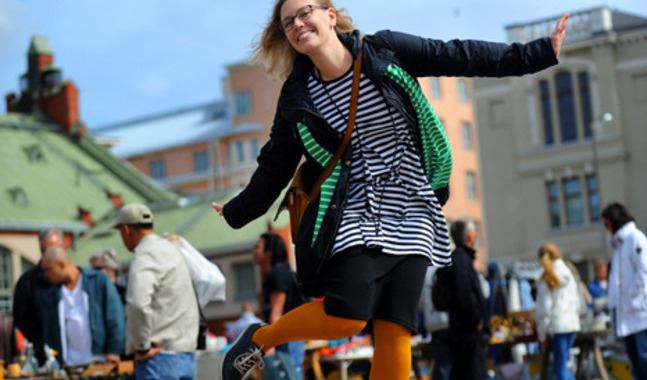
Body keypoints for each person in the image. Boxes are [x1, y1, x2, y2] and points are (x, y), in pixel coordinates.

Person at [211, 1, 570, 379]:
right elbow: (275, 164)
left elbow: (457, 55)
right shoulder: (298, 95)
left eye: (305, 13)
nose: (298, 24)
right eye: (288, 23)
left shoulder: (384, 51)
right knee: (347, 316)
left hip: (414, 206)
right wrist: (238, 210)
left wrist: (536, 53)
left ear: (329, 15)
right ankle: (262, 337)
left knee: (396, 331)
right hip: (354, 209)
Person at [114, 203, 200, 380]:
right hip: (185, 353)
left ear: (127, 229)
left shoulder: (145, 254)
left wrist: (142, 347)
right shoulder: (171, 248)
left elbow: (137, 303)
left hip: (159, 357)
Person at [39, 246, 124, 366]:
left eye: (48, 269)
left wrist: (114, 350)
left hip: (100, 360)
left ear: (62, 265)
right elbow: (49, 333)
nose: (46, 274)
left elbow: (115, 317)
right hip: (70, 365)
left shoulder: (98, 281)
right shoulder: (52, 296)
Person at [602, 202, 647, 380]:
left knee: (644, 358)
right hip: (628, 316)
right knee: (635, 360)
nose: (606, 229)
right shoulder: (620, 247)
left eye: (606, 224)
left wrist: (631, 297)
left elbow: (644, 270)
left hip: (640, 314)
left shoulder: (635, 238)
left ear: (614, 221)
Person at [443, 218, 490, 380]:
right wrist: (477, 318)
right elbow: (465, 293)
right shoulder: (461, 260)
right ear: (469, 236)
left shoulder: (459, 259)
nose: (476, 235)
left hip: (462, 327)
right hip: (467, 329)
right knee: (472, 372)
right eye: (474, 231)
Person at [254, 232, 307, 376]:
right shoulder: (277, 273)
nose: (254, 251)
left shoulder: (277, 274)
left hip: (285, 342)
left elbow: (276, 312)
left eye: (257, 247)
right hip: (287, 340)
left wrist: (270, 343)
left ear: (269, 253)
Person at [12, 229, 62, 366]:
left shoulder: (70, 279)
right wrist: (39, 340)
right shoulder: (27, 281)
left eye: (54, 249)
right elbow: (20, 318)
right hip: (43, 354)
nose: (51, 255)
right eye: (46, 250)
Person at [535, 243, 581, 380]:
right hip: (572, 325)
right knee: (564, 366)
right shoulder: (568, 273)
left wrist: (542, 334)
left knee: (560, 369)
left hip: (558, 326)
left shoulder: (548, 276)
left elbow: (544, 309)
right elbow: (577, 300)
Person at [418, 266, 451, 380]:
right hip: (451, 321)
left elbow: (420, 303)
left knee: (443, 367)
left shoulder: (424, 272)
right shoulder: (449, 266)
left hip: (434, 324)